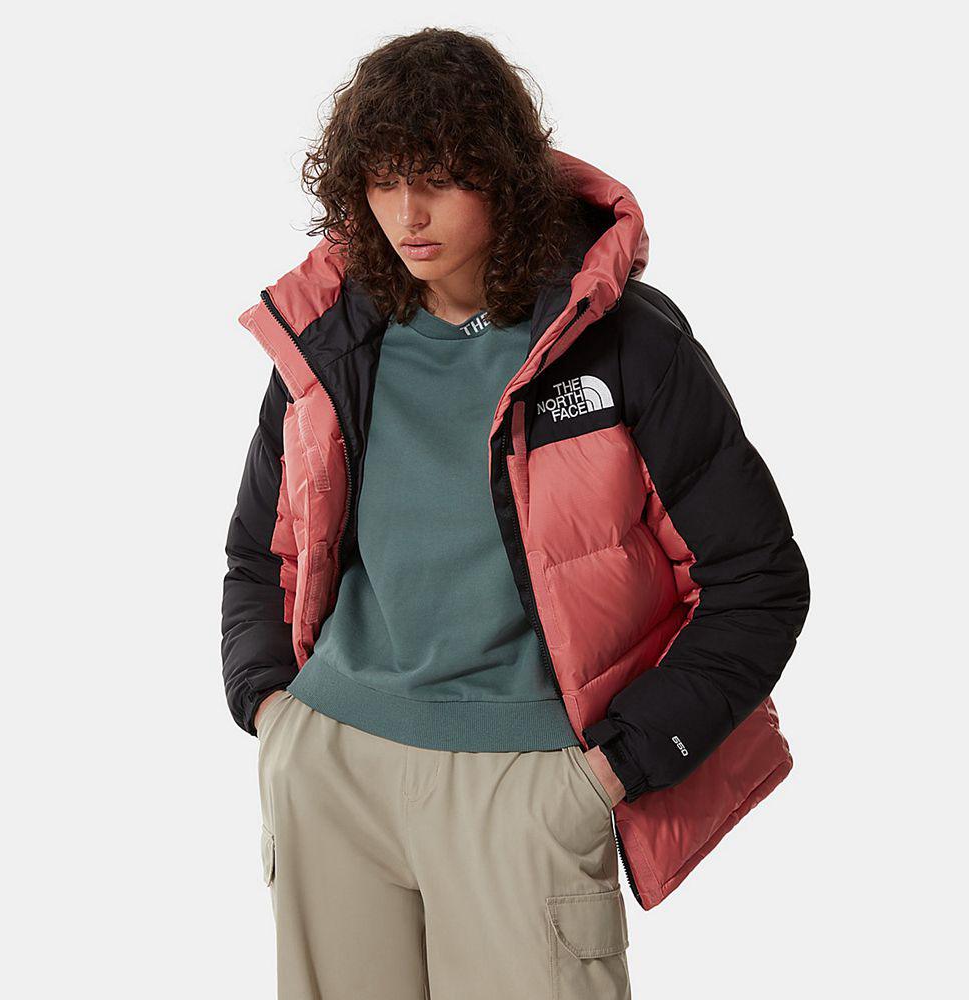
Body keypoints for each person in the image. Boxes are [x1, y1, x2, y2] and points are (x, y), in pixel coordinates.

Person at [221, 27, 810, 999]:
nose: (407, 214)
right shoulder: (333, 342)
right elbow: (259, 552)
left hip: (524, 785)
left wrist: (612, 769)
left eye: (439, 180)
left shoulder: (620, 342)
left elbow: (758, 581)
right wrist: (271, 711)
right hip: (331, 772)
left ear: (501, 176)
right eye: (383, 180)